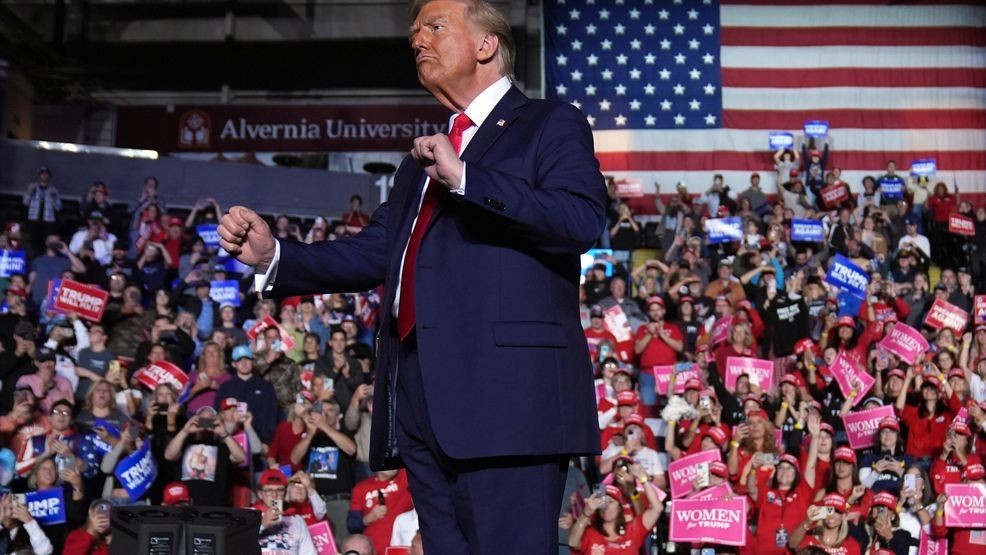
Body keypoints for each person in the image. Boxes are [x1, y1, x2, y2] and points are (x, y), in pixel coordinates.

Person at [217, 1, 606, 552]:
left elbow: (580, 219)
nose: (417, 39)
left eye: (435, 26)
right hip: (421, 406)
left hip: (509, 403)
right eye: (414, 31)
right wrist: (275, 254)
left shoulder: (548, 122)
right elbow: (377, 251)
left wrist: (468, 178)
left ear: (485, 44)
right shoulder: (418, 162)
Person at [253, 468, 318, 555]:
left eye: (279, 490)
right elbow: (236, 545)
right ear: (260, 494)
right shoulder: (249, 515)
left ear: (285, 493)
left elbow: (309, 552)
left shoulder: (297, 519)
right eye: (269, 490)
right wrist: (262, 525)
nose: (274, 495)